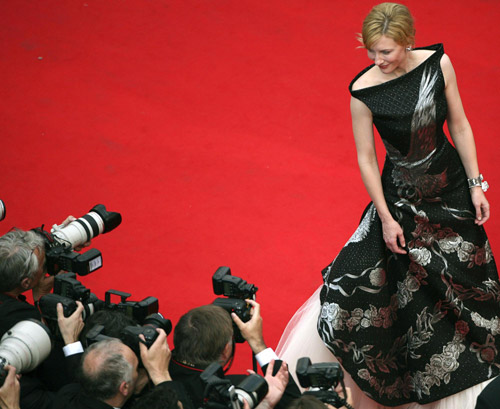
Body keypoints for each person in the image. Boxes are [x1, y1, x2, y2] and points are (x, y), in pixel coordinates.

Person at [277, 2, 499, 408]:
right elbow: (366, 158)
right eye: (371, 51)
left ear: (407, 42)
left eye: (386, 52)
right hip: (402, 202)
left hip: (451, 194)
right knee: (398, 291)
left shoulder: (439, 65)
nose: (377, 60)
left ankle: (473, 370)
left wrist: (476, 184)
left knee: (463, 281)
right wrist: (384, 216)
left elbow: (460, 124)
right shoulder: (364, 92)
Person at [169, 301, 301, 409]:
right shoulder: (234, 390)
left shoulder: (157, 376)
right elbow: (295, 402)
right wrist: (258, 343)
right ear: (225, 351)